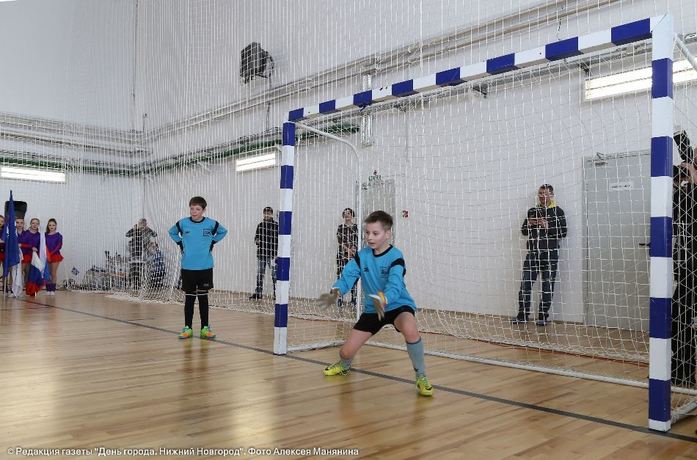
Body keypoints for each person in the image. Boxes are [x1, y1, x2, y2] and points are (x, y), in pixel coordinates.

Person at [319, 211, 433, 397]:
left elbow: (395, 284)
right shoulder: (362, 256)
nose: (369, 237)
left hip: (397, 305)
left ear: (387, 234)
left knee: (410, 328)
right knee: (345, 352)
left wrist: (384, 298)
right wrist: (335, 293)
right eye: (367, 233)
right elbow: (347, 278)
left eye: (375, 233)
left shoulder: (396, 256)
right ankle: (344, 366)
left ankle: (421, 376)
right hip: (373, 309)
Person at [169, 196, 228, 340]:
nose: (194, 211)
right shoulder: (183, 223)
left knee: (203, 298)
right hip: (188, 267)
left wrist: (212, 242)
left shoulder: (211, 224)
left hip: (205, 267)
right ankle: (187, 328)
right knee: (189, 298)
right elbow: (172, 232)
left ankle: (205, 328)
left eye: (197, 209)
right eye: (192, 208)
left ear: (203, 210)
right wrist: (181, 243)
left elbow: (223, 231)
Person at [512, 184, 568, 326]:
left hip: (550, 255)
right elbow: (524, 231)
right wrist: (530, 224)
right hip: (533, 255)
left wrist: (547, 226)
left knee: (547, 286)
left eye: (546, 194)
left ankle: (543, 317)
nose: (543, 196)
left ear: (552, 195)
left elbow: (563, 233)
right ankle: (522, 316)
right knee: (525, 285)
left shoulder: (558, 211)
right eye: (540, 193)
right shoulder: (532, 210)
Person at [671, 131, 697, 387]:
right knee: (678, 315)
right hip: (689, 265)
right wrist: (678, 184)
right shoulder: (688, 187)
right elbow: (676, 212)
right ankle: (682, 370)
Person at [249, 206, 278, 300]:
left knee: (274, 275)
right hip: (261, 254)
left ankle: (277, 294)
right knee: (260, 274)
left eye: (268, 213)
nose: (266, 215)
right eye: (265, 213)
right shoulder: (260, 225)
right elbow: (256, 238)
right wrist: (257, 241)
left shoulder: (276, 226)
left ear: (271, 214)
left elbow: (278, 240)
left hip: (272, 254)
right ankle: (258, 293)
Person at [336, 208, 359, 307]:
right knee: (341, 276)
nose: (347, 215)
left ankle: (353, 299)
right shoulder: (340, 227)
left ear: (352, 215)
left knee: (353, 276)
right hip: (342, 255)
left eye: (348, 213)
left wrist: (352, 250)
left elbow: (357, 239)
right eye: (345, 214)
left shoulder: (356, 227)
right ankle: (340, 298)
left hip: (353, 255)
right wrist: (347, 249)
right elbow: (340, 240)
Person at [126, 218, 157, 290]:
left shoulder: (148, 230)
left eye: (144, 224)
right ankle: (133, 284)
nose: (143, 225)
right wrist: (134, 229)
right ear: (139, 224)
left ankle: (141, 285)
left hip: (144, 252)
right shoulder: (135, 230)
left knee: (141, 269)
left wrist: (149, 229)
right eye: (141, 223)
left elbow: (155, 234)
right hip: (135, 252)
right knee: (134, 269)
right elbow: (127, 235)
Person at [45, 218, 63, 295]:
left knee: (53, 273)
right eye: (50, 225)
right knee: (47, 273)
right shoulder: (45, 235)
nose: (51, 226)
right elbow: (43, 245)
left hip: (55, 255)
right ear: (48, 226)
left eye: (53, 225)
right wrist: (46, 254)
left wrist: (51, 254)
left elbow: (59, 246)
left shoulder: (59, 235)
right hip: (46, 255)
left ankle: (53, 290)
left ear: (56, 226)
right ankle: (48, 289)